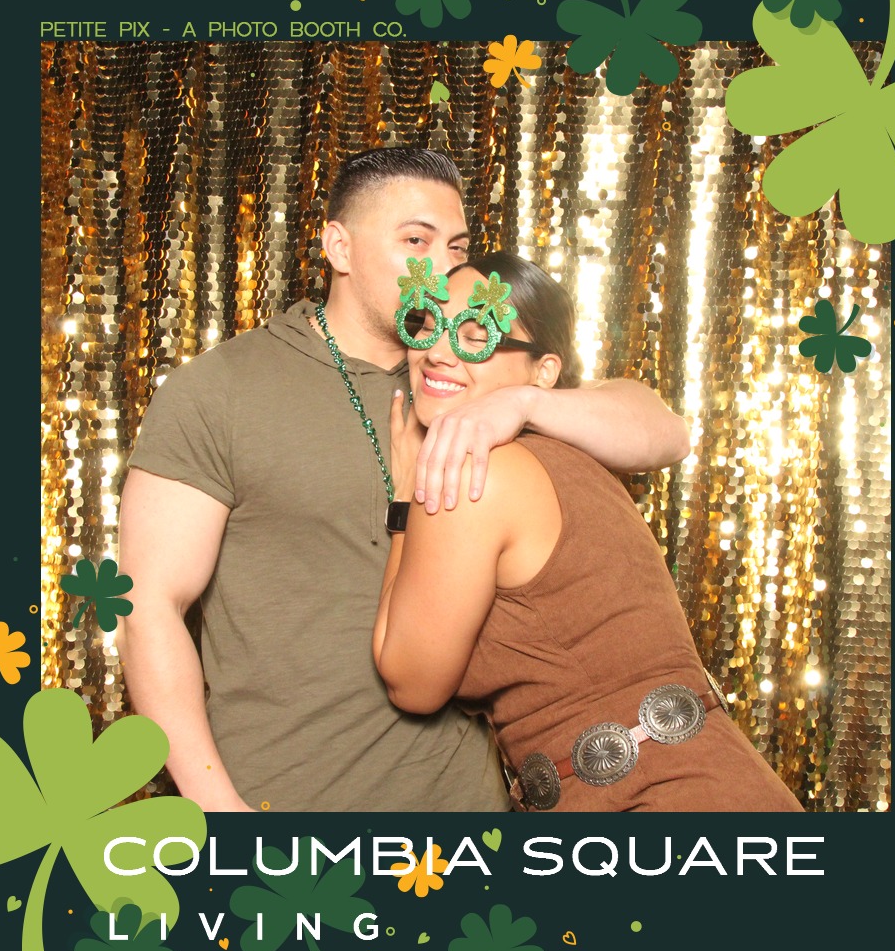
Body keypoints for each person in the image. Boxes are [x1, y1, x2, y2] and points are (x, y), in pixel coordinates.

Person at [117, 147, 690, 813]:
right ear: (339, 246)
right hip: (288, 809)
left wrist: (522, 403)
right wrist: (219, 813)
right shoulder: (222, 391)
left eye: (457, 247)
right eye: (416, 241)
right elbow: (148, 607)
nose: (441, 269)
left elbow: (665, 432)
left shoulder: (474, 374)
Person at [374, 252, 803, 811]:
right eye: (427, 325)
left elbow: (411, 682)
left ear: (544, 371)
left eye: (478, 336)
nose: (438, 350)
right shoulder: (577, 446)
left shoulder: (475, 473)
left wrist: (406, 497)